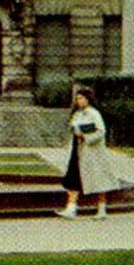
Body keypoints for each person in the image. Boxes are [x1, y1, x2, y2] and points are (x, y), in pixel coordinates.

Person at [56, 88, 120, 220]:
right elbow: (73, 127)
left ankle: (102, 209)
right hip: (78, 150)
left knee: (98, 179)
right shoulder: (78, 114)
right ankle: (71, 208)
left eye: (81, 98)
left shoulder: (93, 113)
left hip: (92, 152)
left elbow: (101, 131)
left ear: (88, 99)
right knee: (73, 178)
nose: (79, 101)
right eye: (77, 99)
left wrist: (85, 136)